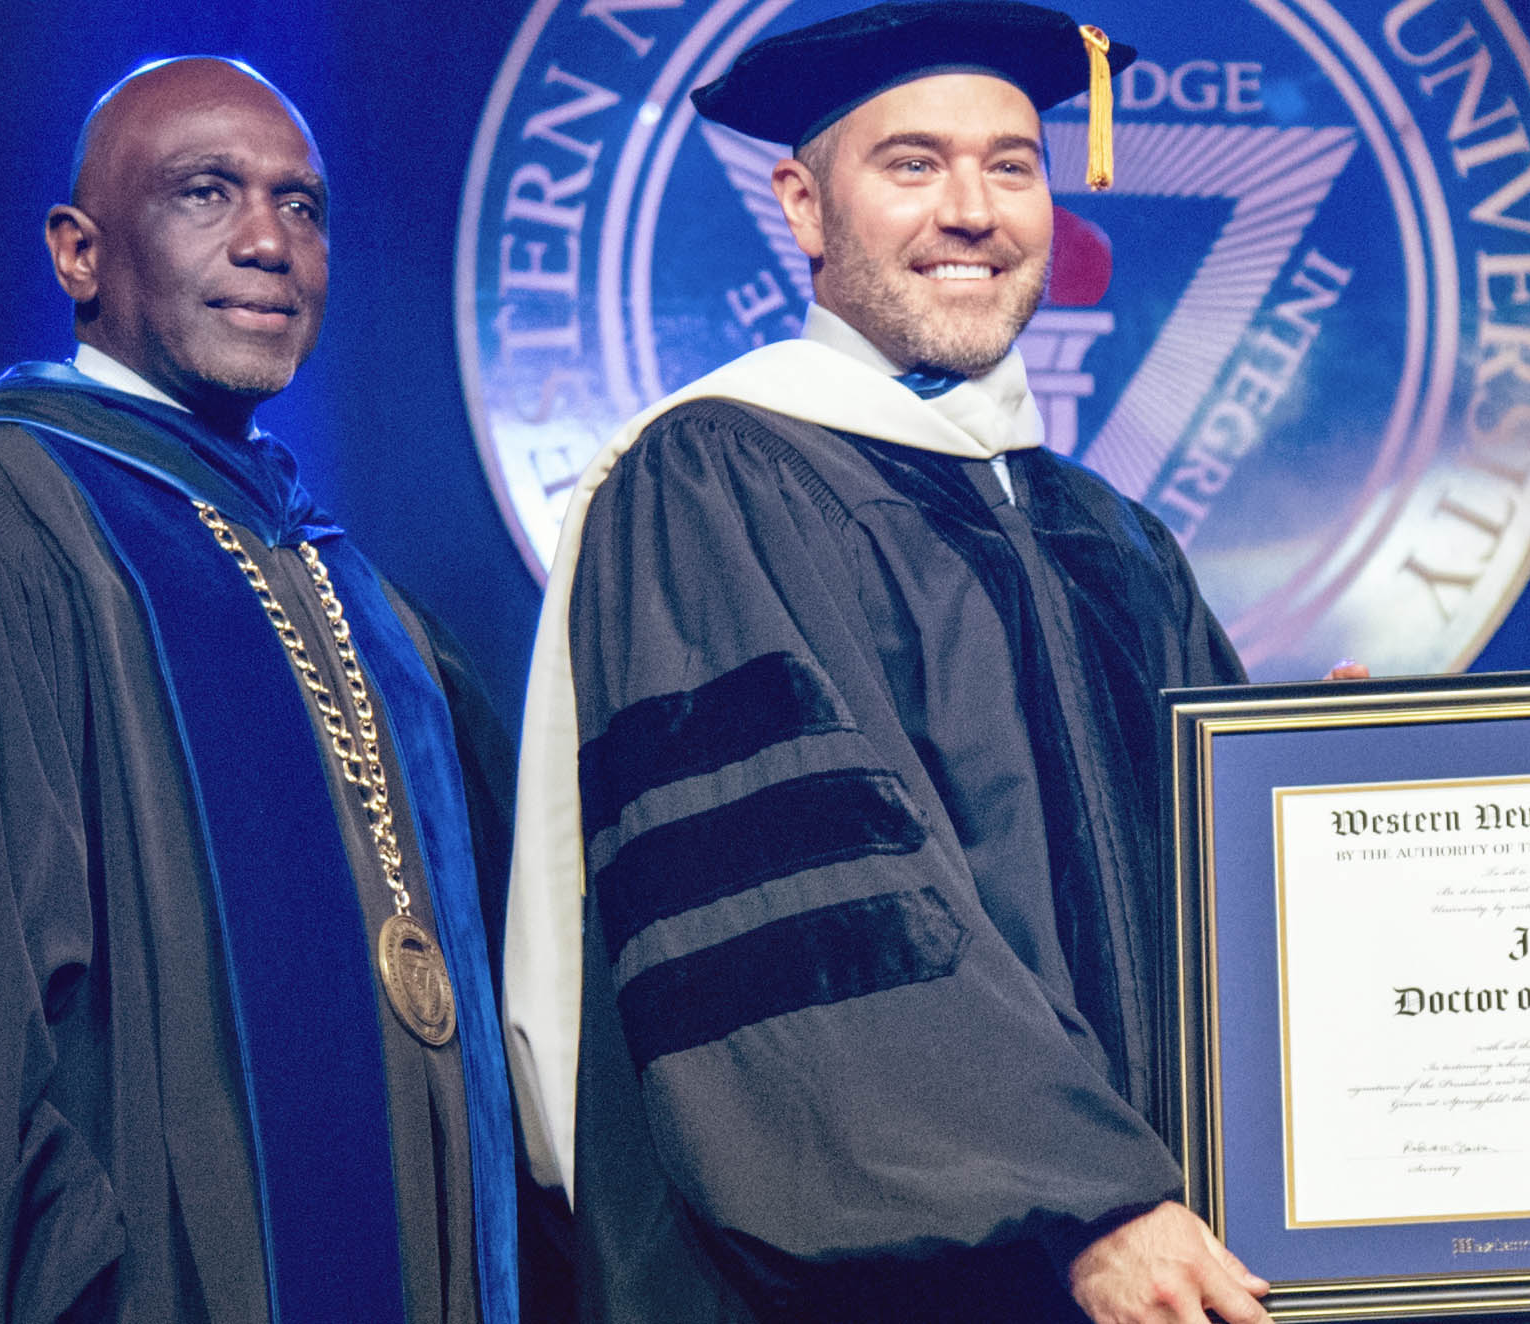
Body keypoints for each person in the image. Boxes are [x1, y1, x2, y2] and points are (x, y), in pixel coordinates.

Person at [0, 58, 527, 1324]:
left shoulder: (385, 623)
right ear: (78, 253)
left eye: (302, 206)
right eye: (205, 192)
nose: (266, 241)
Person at [491, 4, 1270, 1321]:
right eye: (912, 164)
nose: (973, 209)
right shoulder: (711, 481)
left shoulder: (1115, 541)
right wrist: (1079, 1193)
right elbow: (829, 917)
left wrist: (1333, 807)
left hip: (1148, 1272)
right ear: (803, 206)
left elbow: (1204, 906)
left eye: (1011, 166)